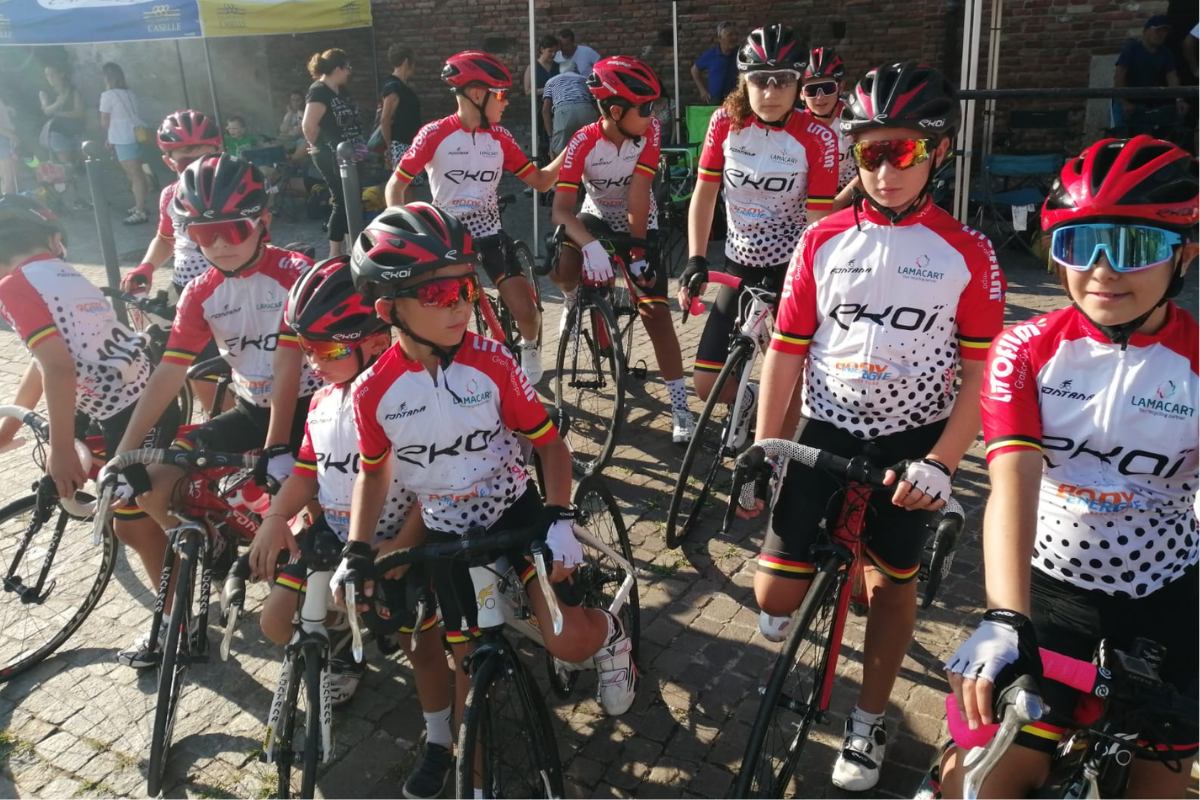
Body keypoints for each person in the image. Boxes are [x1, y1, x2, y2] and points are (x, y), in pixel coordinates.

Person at [743, 62, 1006, 791]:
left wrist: (944, 463)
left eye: (904, 152)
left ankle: (869, 719)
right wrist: (766, 445)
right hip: (826, 428)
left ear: (938, 152)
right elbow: (786, 351)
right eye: (869, 153)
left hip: (910, 445)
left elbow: (980, 376)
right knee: (773, 598)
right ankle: (842, 557)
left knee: (893, 584)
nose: (885, 171)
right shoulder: (822, 239)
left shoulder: (967, 252)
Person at [937, 136, 1198, 798]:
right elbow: (1012, 486)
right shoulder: (1025, 350)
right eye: (1082, 245)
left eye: (1135, 246)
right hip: (1053, 590)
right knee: (976, 786)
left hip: (1169, 594)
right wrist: (1006, 617)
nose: (1104, 270)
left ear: (1185, 254)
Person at [345, 203, 638, 737]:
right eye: (439, 294)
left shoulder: (493, 362)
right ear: (389, 309)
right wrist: (357, 549)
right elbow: (374, 473)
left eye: (465, 288)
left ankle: (612, 637)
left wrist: (559, 516)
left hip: (515, 512)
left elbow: (550, 447)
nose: (461, 305)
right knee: (464, 667)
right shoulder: (371, 392)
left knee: (567, 642)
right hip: (445, 533)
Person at [98, 155, 320, 666]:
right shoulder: (201, 291)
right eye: (202, 233)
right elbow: (168, 373)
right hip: (250, 408)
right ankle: (216, 547)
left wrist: (277, 449)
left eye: (231, 229)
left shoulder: (295, 273)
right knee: (153, 481)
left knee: (320, 521)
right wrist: (123, 454)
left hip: (311, 409)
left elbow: (288, 367)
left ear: (263, 221)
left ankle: (327, 629)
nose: (218, 244)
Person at [249, 255, 454, 797]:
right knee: (275, 622)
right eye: (307, 348)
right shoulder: (321, 400)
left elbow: (435, 485)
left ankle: (439, 739)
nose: (314, 362)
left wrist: (404, 543)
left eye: (329, 350)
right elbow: (306, 472)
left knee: (422, 648)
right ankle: (342, 643)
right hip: (337, 537)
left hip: (400, 540)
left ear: (377, 342)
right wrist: (275, 516)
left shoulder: (410, 397)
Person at [0, 196, 178, 665]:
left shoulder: (14, 286)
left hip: (130, 411)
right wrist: (12, 423)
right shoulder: (58, 270)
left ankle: (175, 624)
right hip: (130, 399)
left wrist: (60, 449)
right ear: (53, 240)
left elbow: (57, 368)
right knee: (134, 513)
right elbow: (46, 362)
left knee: (133, 524)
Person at [677, 24, 838, 428]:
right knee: (705, 384)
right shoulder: (724, 123)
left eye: (782, 80)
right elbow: (705, 194)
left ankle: (777, 455)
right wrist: (696, 258)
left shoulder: (817, 137)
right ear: (744, 82)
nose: (770, 91)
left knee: (789, 386)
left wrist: (812, 284)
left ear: (798, 83)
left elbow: (818, 223)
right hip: (739, 264)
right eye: (760, 80)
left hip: (790, 267)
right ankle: (748, 401)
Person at [383, 51, 561, 385]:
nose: (506, 102)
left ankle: (529, 348)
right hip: (447, 239)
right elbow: (396, 185)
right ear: (478, 94)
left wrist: (572, 150)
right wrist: (402, 229)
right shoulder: (434, 133)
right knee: (441, 318)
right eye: (501, 95)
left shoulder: (501, 138)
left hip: (490, 233)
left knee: (527, 313)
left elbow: (540, 181)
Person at [550, 56, 697, 445]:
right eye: (645, 108)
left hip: (639, 217)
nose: (653, 115)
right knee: (564, 260)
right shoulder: (582, 141)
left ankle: (680, 408)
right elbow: (561, 210)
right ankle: (573, 299)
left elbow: (639, 193)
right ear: (615, 111)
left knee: (656, 313)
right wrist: (589, 244)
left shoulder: (651, 132)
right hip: (596, 215)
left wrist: (637, 255)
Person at [302, 48, 365, 258]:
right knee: (341, 199)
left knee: (353, 198)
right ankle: (334, 253)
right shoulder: (319, 91)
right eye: (347, 67)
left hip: (351, 152)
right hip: (331, 154)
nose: (349, 72)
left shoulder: (341, 90)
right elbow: (309, 125)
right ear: (338, 68)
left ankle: (351, 246)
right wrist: (317, 145)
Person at [798, 47, 859, 207]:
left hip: (851, 199)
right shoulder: (795, 125)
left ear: (840, 87)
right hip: (810, 202)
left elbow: (871, 169)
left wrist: (838, 204)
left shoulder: (856, 119)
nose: (820, 97)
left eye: (827, 88)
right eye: (811, 90)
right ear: (801, 94)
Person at [1113, 15, 1185, 131]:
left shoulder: (1166, 53)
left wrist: (1179, 99)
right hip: (1127, 101)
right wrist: (1124, 102)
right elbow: (1119, 77)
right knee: (1122, 133)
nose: (1161, 35)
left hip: (1148, 104)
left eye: (1165, 32)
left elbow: (1172, 78)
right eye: (1158, 30)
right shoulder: (1131, 50)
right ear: (1146, 31)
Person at [98, 62, 149, 225]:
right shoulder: (129, 93)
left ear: (107, 78)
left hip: (122, 139)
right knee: (137, 173)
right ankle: (140, 204)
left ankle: (140, 211)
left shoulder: (108, 95)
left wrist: (109, 136)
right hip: (136, 135)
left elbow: (104, 121)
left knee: (135, 175)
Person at [38, 64, 86, 210]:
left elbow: (79, 112)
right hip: (58, 134)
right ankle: (73, 199)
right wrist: (59, 103)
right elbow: (46, 110)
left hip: (75, 132)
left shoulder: (72, 91)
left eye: (52, 74)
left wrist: (59, 113)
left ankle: (76, 198)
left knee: (78, 165)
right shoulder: (45, 92)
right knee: (66, 167)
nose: (50, 78)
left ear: (62, 74)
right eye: (47, 75)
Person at [378, 44, 421, 171]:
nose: (414, 67)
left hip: (408, 145)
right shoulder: (393, 87)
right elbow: (385, 119)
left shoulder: (400, 86)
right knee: (405, 182)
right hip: (400, 146)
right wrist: (389, 147)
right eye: (413, 62)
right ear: (407, 61)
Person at [542, 63, 598, 156]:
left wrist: (550, 137)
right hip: (586, 109)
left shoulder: (551, 81)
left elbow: (545, 110)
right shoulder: (584, 79)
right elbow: (595, 102)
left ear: (560, 71)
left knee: (559, 153)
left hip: (563, 112)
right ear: (576, 70)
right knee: (591, 149)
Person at [525, 34, 559, 159]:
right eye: (550, 51)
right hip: (539, 109)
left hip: (556, 108)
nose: (553, 54)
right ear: (541, 50)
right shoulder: (532, 68)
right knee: (543, 139)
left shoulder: (558, 66)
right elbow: (528, 91)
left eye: (555, 52)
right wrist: (547, 90)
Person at [690, 21, 740, 105]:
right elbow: (694, 70)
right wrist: (702, 90)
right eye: (730, 35)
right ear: (719, 38)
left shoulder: (741, 53)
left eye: (736, 34)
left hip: (735, 99)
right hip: (715, 100)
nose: (734, 37)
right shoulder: (711, 54)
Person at [0, 93, 17, 195]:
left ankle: (11, 198)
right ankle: (8, 200)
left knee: (10, 174)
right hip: (3, 139)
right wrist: (11, 136)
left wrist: (6, 109)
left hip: (5, 138)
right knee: (8, 176)